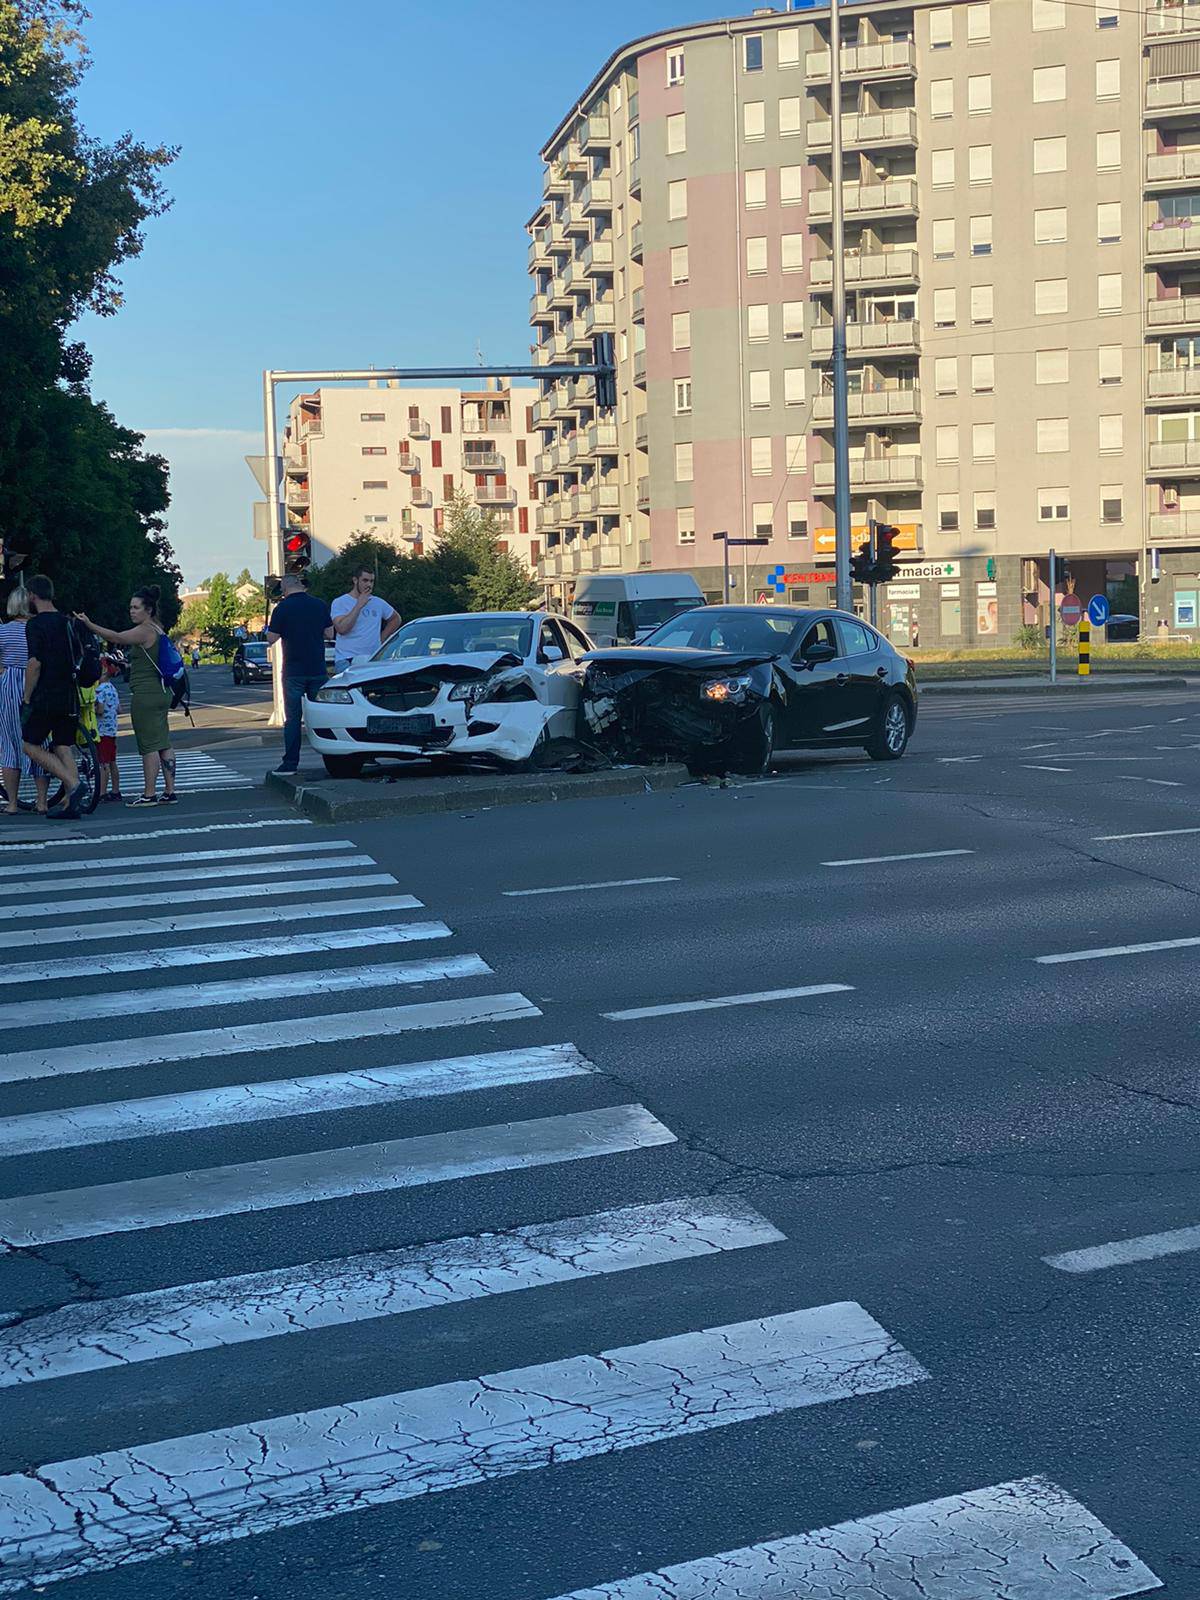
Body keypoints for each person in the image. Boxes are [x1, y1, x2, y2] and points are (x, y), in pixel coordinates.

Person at [75, 585, 177, 807]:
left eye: (135, 607)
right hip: (162, 692)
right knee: (163, 742)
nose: (131, 611)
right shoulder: (158, 629)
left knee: (148, 745)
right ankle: (169, 791)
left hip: (146, 694)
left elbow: (117, 636)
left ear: (148, 609)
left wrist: (89, 624)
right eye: (130, 607)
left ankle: (149, 794)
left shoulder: (144, 630)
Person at [21, 574, 86, 820]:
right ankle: (72, 802)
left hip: (45, 695)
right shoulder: (68, 622)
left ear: (32, 596)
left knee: (28, 743)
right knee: (62, 745)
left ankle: (74, 784)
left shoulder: (35, 625)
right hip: (69, 694)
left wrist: (27, 696)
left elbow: (34, 664)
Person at [266, 573, 332, 775]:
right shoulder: (319, 605)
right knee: (323, 715)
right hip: (317, 669)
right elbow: (330, 634)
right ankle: (333, 756)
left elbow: (271, 638)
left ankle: (290, 762)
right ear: (301, 586)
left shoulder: (282, 609)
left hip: (294, 670)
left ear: (285, 590)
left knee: (293, 718)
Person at [0, 588, 43, 817]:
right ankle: (42, 800)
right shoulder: (37, 630)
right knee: (39, 741)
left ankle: (13, 802)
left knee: (9, 743)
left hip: (9, 685)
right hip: (35, 683)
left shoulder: (2, 632)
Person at [330, 567, 400, 670]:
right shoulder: (340, 602)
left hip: (372, 658)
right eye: (365, 580)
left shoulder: (378, 602)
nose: (369, 585)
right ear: (355, 580)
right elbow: (342, 629)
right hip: (347, 659)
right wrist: (359, 605)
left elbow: (396, 619)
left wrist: (382, 639)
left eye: (372, 581)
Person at [94, 655, 123, 803]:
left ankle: (102, 792)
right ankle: (116, 790)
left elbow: (99, 710)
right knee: (112, 761)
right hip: (112, 730)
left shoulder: (99, 690)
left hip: (102, 730)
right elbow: (119, 709)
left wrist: (93, 708)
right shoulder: (112, 688)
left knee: (103, 763)